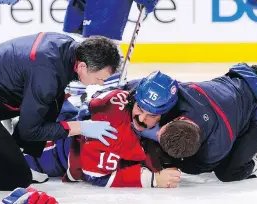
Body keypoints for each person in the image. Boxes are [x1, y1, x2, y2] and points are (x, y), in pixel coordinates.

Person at [0, 32, 121, 190]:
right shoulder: (47, 76)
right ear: (82, 66)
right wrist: (81, 127)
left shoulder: (67, 48)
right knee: (17, 177)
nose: (100, 84)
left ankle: (24, 156)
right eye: (99, 79)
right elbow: (30, 131)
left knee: (54, 100)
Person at [25, 71, 183, 188]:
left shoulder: (120, 95)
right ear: (135, 99)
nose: (141, 119)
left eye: (151, 115)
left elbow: (94, 102)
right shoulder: (112, 132)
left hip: (65, 122)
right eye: (140, 109)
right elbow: (96, 176)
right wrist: (153, 179)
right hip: (48, 154)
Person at [143, 63, 257, 182]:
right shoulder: (180, 95)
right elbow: (155, 87)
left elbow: (186, 166)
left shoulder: (213, 151)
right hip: (243, 81)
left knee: (228, 172)